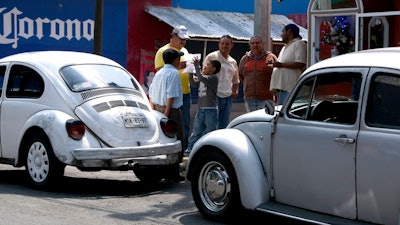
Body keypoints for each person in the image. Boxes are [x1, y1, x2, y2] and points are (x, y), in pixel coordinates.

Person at [149, 48, 185, 181]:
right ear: (175, 60)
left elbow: (151, 94)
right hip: (170, 110)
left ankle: (163, 170)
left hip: (158, 109)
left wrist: (154, 110)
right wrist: (167, 113)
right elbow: (171, 95)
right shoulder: (174, 73)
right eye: (178, 58)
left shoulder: (159, 73)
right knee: (176, 139)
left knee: (162, 140)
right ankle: (173, 172)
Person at [154, 25, 191, 151]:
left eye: (185, 39)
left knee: (185, 124)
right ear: (173, 36)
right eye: (181, 38)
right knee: (170, 125)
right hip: (169, 100)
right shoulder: (162, 52)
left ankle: (183, 149)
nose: (183, 41)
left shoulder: (185, 51)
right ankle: (174, 151)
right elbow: (160, 73)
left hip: (185, 93)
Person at [184, 58, 220, 156]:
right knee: (196, 131)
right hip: (201, 110)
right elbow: (193, 83)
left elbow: (201, 78)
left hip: (210, 110)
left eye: (207, 64)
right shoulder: (203, 78)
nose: (204, 66)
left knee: (211, 131)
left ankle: (212, 149)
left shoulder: (213, 78)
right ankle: (190, 148)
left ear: (213, 69)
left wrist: (196, 66)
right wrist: (191, 71)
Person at [203, 35, 240, 129]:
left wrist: (235, 90)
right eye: (222, 43)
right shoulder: (212, 57)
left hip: (227, 97)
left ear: (232, 45)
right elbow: (204, 74)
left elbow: (235, 79)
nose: (224, 46)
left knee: (224, 125)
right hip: (213, 96)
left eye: (227, 44)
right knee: (211, 125)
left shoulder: (233, 62)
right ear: (219, 44)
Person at [270, 23, 307, 105]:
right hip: (281, 88)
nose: (281, 35)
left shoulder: (299, 43)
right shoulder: (285, 47)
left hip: (291, 89)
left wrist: (281, 65)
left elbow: (300, 63)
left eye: (283, 31)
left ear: (289, 31)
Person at [239, 36, 275, 112]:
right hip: (250, 98)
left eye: (257, 43)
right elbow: (241, 76)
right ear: (250, 45)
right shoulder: (245, 59)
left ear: (262, 44)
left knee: (266, 122)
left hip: (266, 98)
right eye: (253, 43)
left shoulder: (270, 57)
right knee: (253, 122)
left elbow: (277, 75)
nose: (255, 45)